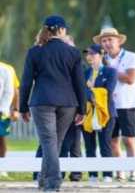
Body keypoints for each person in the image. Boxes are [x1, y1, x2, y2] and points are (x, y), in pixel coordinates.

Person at [20, 15, 86, 191]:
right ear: (63, 30)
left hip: (42, 101)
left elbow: (26, 82)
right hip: (68, 103)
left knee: (49, 142)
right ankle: (46, 181)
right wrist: (83, 109)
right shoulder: (73, 52)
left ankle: (51, 182)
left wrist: (22, 107)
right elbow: (79, 83)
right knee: (54, 143)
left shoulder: (35, 51)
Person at [94, 27, 135, 182]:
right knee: (112, 141)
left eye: (110, 40)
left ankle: (133, 171)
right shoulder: (100, 58)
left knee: (129, 139)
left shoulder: (131, 57)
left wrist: (108, 70)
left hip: (127, 104)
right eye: (104, 40)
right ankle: (119, 172)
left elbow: (130, 78)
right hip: (108, 105)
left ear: (118, 41)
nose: (107, 43)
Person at [81, 44, 117, 183]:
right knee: (89, 146)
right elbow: (81, 92)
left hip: (106, 113)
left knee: (105, 145)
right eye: (87, 54)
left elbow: (107, 92)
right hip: (88, 113)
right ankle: (93, 175)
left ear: (101, 55)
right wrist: (91, 93)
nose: (89, 57)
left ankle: (107, 174)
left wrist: (89, 91)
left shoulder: (110, 72)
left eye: (92, 54)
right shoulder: (84, 73)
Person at [0, 61, 15, 177]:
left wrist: (4, 108)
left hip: (1, 111)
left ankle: (2, 167)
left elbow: (9, 91)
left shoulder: (6, 69)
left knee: (1, 139)